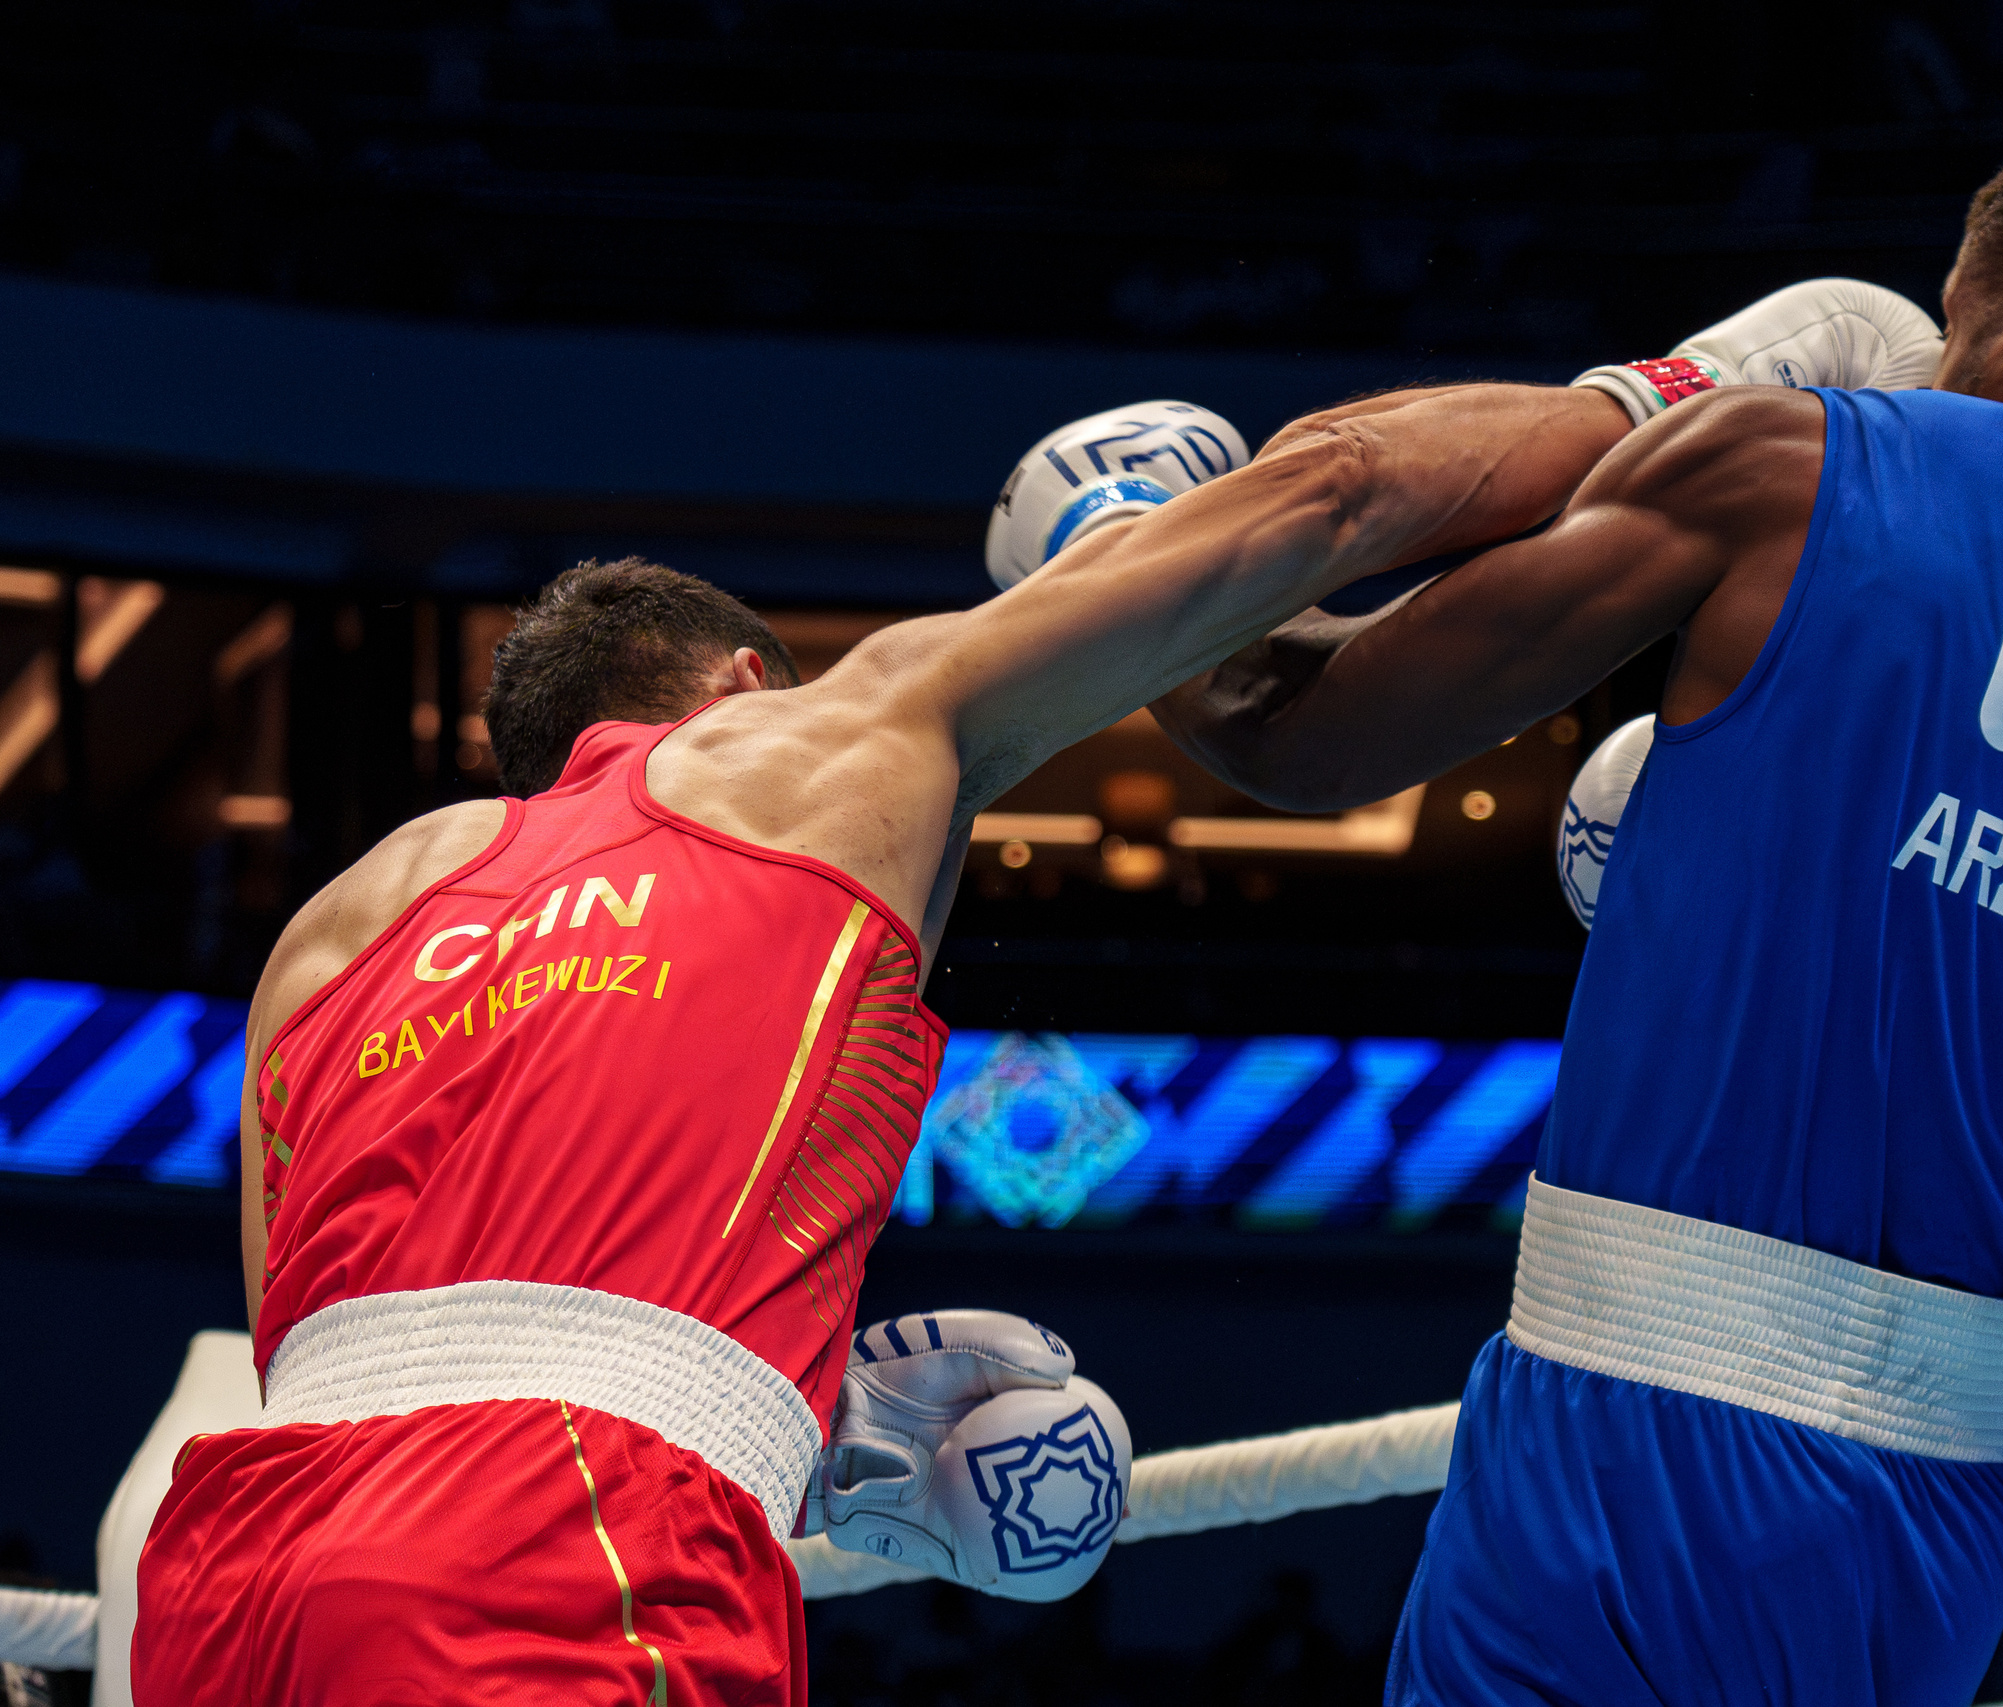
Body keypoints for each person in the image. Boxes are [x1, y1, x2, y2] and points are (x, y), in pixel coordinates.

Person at [1152, 120, 2003, 1704]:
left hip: (1627, 1452)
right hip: (1951, 1525)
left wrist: (1134, 559)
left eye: (1958, 329)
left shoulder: (1809, 466)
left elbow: (1301, 732)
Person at [130, 388, 1620, 1703]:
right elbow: (1332, 494)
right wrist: (1679, 394)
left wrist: (807, 1414)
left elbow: (342, 1339)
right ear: (740, 691)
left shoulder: (338, 925)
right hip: (554, 1540)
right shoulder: (806, 752)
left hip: (230, 1575)